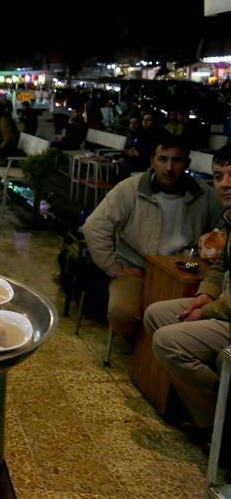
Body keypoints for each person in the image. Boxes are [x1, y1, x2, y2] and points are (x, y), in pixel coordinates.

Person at [82, 133, 223, 343]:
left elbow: (223, 230)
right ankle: (139, 347)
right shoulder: (130, 189)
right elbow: (94, 227)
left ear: (187, 163)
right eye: (162, 159)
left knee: (194, 317)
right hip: (137, 268)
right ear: (152, 161)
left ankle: (162, 350)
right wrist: (115, 269)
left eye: (177, 160)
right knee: (123, 312)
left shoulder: (205, 194)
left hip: (183, 270)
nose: (169, 167)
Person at [143, 145, 230, 450]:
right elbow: (220, 264)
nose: (225, 184)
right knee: (155, 314)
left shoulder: (208, 202)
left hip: (227, 313)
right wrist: (205, 295)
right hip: (222, 304)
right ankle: (205, 410)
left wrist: (206, 312)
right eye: (218, 176)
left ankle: (219, 426)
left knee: (168, 341)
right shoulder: (229, 216)